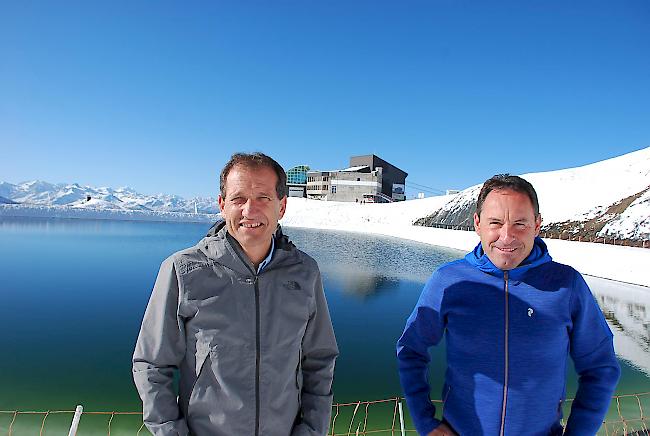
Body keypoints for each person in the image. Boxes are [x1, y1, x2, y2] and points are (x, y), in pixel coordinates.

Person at [396, 174, 620, 436]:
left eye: (520, 224)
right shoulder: (448, 281)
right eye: (495, 223)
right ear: (477, 224)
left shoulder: (566, 285)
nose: (506, 236)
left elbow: (601, 367)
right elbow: (410, 349)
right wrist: (426, 423)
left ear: (537, 225)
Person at [133, 152, 339, 436]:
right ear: (222, 205)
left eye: (263, 198)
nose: (249, 210)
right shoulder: (182, 271)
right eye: (238, 198)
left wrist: (312, 430)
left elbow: (320, 359)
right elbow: (152, 365)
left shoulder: (304, 272)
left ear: (281, 207)